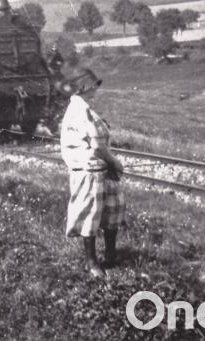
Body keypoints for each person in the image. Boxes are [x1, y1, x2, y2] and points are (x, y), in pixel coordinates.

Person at [59, 67, 125, 278]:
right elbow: (97, 146)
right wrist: (115, 162)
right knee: (92, 215)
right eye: (93, 84)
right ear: (83, 86)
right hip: (91, 171)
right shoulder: (83, 111)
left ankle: (111, 255)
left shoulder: (79, 109)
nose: (96, 88)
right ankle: (91, 262)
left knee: (109, 212)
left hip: (97, 170)